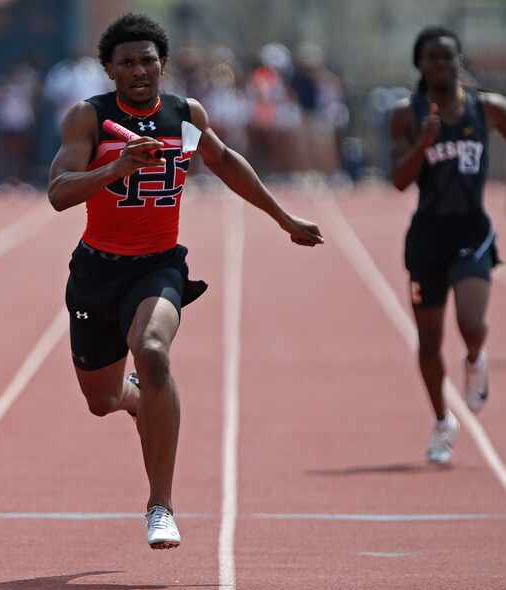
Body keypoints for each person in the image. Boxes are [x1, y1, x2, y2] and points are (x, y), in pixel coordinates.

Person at [48, 14, 322, 549]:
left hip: (158, 266)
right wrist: (115, 168)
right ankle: (134, 400)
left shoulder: (184, 115)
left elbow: (225, 161)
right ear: (109, 69)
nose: (138, 70)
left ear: (162, 64)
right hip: (97, 272)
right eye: (126, 62)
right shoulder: (89, 118)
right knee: (101, 400)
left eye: (148, 60)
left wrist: (283, 218)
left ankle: (160, 505)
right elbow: (59, 192)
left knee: (152, 350)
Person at [389, 27, 506, 465]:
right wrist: (423, 142)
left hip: (472, 232)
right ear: (419, 65)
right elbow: (399, 181)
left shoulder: (488, 107)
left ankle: (475, 356)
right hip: (427, 239)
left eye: (447, 57)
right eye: (432, 59)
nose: (440, 65)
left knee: (472, 323)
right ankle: (442, 421)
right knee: (429, 342)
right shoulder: (407, 113)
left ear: (459, 60)